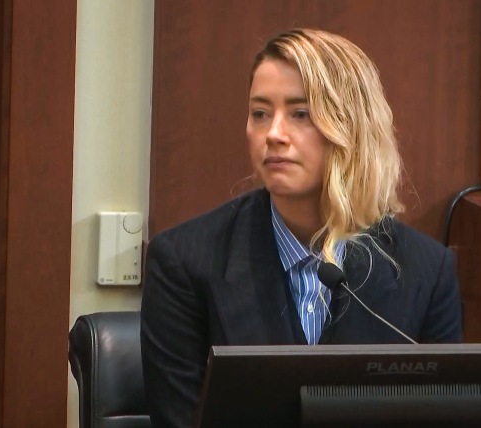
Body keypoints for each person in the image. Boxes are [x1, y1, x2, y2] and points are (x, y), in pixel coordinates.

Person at [140, 28, 463, 427]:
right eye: (260, 113)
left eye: (301, 113)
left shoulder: (426, 272)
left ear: (352, 128)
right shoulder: (184, 263)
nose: (274, 134)